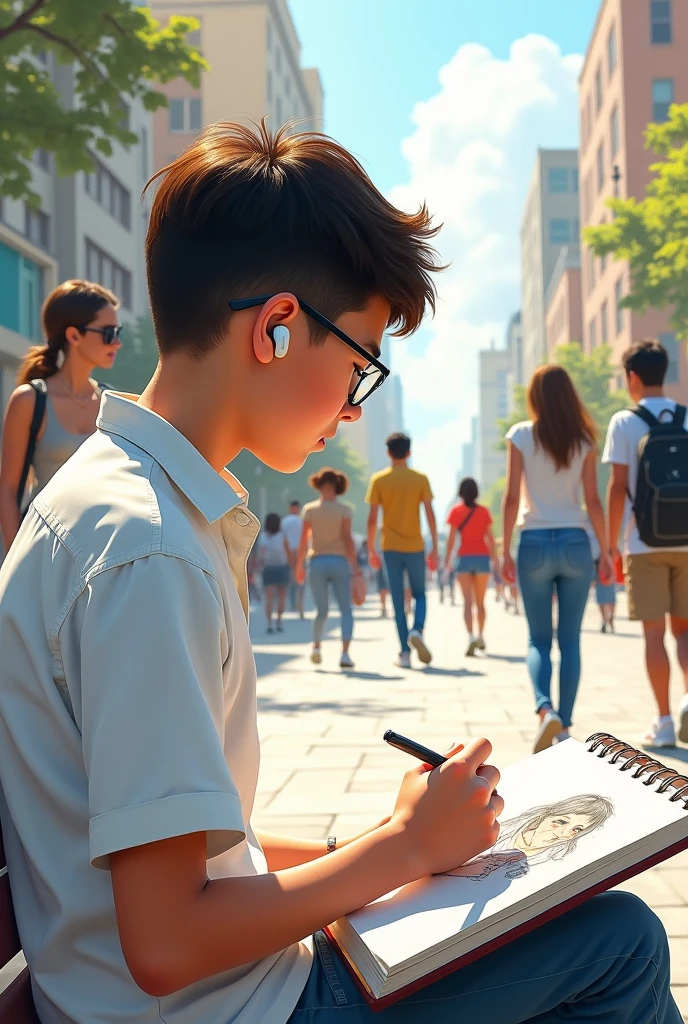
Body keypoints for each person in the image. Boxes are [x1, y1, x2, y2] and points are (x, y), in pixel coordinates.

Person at [0, 121, 678, 1024]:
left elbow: (199, 858)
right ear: (277, 328)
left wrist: (385, 844)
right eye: (359, 365)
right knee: (619, 942)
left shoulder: (123, 500)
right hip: (231, 1010)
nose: (352, 412)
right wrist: (400, 849)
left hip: (167, 998)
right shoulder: (149, 552)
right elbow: (164, 944)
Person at [502, 365, 613, 754]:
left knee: (537, 639)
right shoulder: (584, 440)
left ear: (535, 397)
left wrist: (503, 550)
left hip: (532, 541)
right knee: (570, 640)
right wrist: (607, 551)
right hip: (575, 542)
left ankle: (543, 708)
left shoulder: (520, 435)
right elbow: (593, 501)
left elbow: (512, 497)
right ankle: (564, 723)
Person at [603, 339, 688, 748]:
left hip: (643, 542)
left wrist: (610, 542)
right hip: (687, 543)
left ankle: (666, 721)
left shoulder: (623, 422)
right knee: (685, 632)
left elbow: (618, 488)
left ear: (632, 377)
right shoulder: (687, 419)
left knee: (654, 636)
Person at [0, 279, 122, 552]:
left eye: (118, 332)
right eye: (108, 332)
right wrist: (16, 562)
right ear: (74, 336)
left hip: (99, 552)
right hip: (42, 549)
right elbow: (7, 491)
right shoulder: (30, 400)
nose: (118, 342)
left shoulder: (110, 403)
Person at [366, 433, 438, 668]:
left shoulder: (379, 480)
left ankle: (404, 653)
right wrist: (435, 546)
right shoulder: (420, 479)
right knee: (420, 593)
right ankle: (417, 629)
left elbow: (372, 519)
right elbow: (429, 514)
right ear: (409, 452)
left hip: (390, 548)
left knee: (397, 599)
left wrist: (371, 549)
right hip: (415, 546)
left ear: (388, 453)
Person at [296, 468, 361, 669]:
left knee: (321, 610)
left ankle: (316, 647)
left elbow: (303, 540)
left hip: (316, 562)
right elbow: (348, 539)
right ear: (338, 486)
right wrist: (356, 568)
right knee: (345, 610)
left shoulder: (310, 509)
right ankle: (345, 654)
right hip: (339, 562)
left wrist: (299, 565)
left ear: (319, 485)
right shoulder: (344, 509)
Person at [445, 477, 498, 656]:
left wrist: (447, 561)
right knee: (480, 602)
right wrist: (496, 561)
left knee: (467, 603)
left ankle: (470, 637)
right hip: (482, 558)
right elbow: (490, 539)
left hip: (464, 559)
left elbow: (451, 539)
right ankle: (481, 635)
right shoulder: (484, 511)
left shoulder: (456, 511)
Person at [258, 512, 292, 632]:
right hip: (282, 568)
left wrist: (258, 566)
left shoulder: (263, 536)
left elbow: (261, 554)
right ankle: (279, 621)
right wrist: (293, 565)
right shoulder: (283, 536)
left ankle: (269, 623)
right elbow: (288, 552)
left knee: (269, 598)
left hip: (268, 568)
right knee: (282, 598)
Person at [282, 499, 305, 618]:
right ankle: (300, 608)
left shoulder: (284, 522)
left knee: (290, 582)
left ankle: (292, 605)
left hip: (288, 553)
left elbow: (283, 540)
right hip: (300, 553)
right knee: (300, 581)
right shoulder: (302, 521)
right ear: (298, 508)